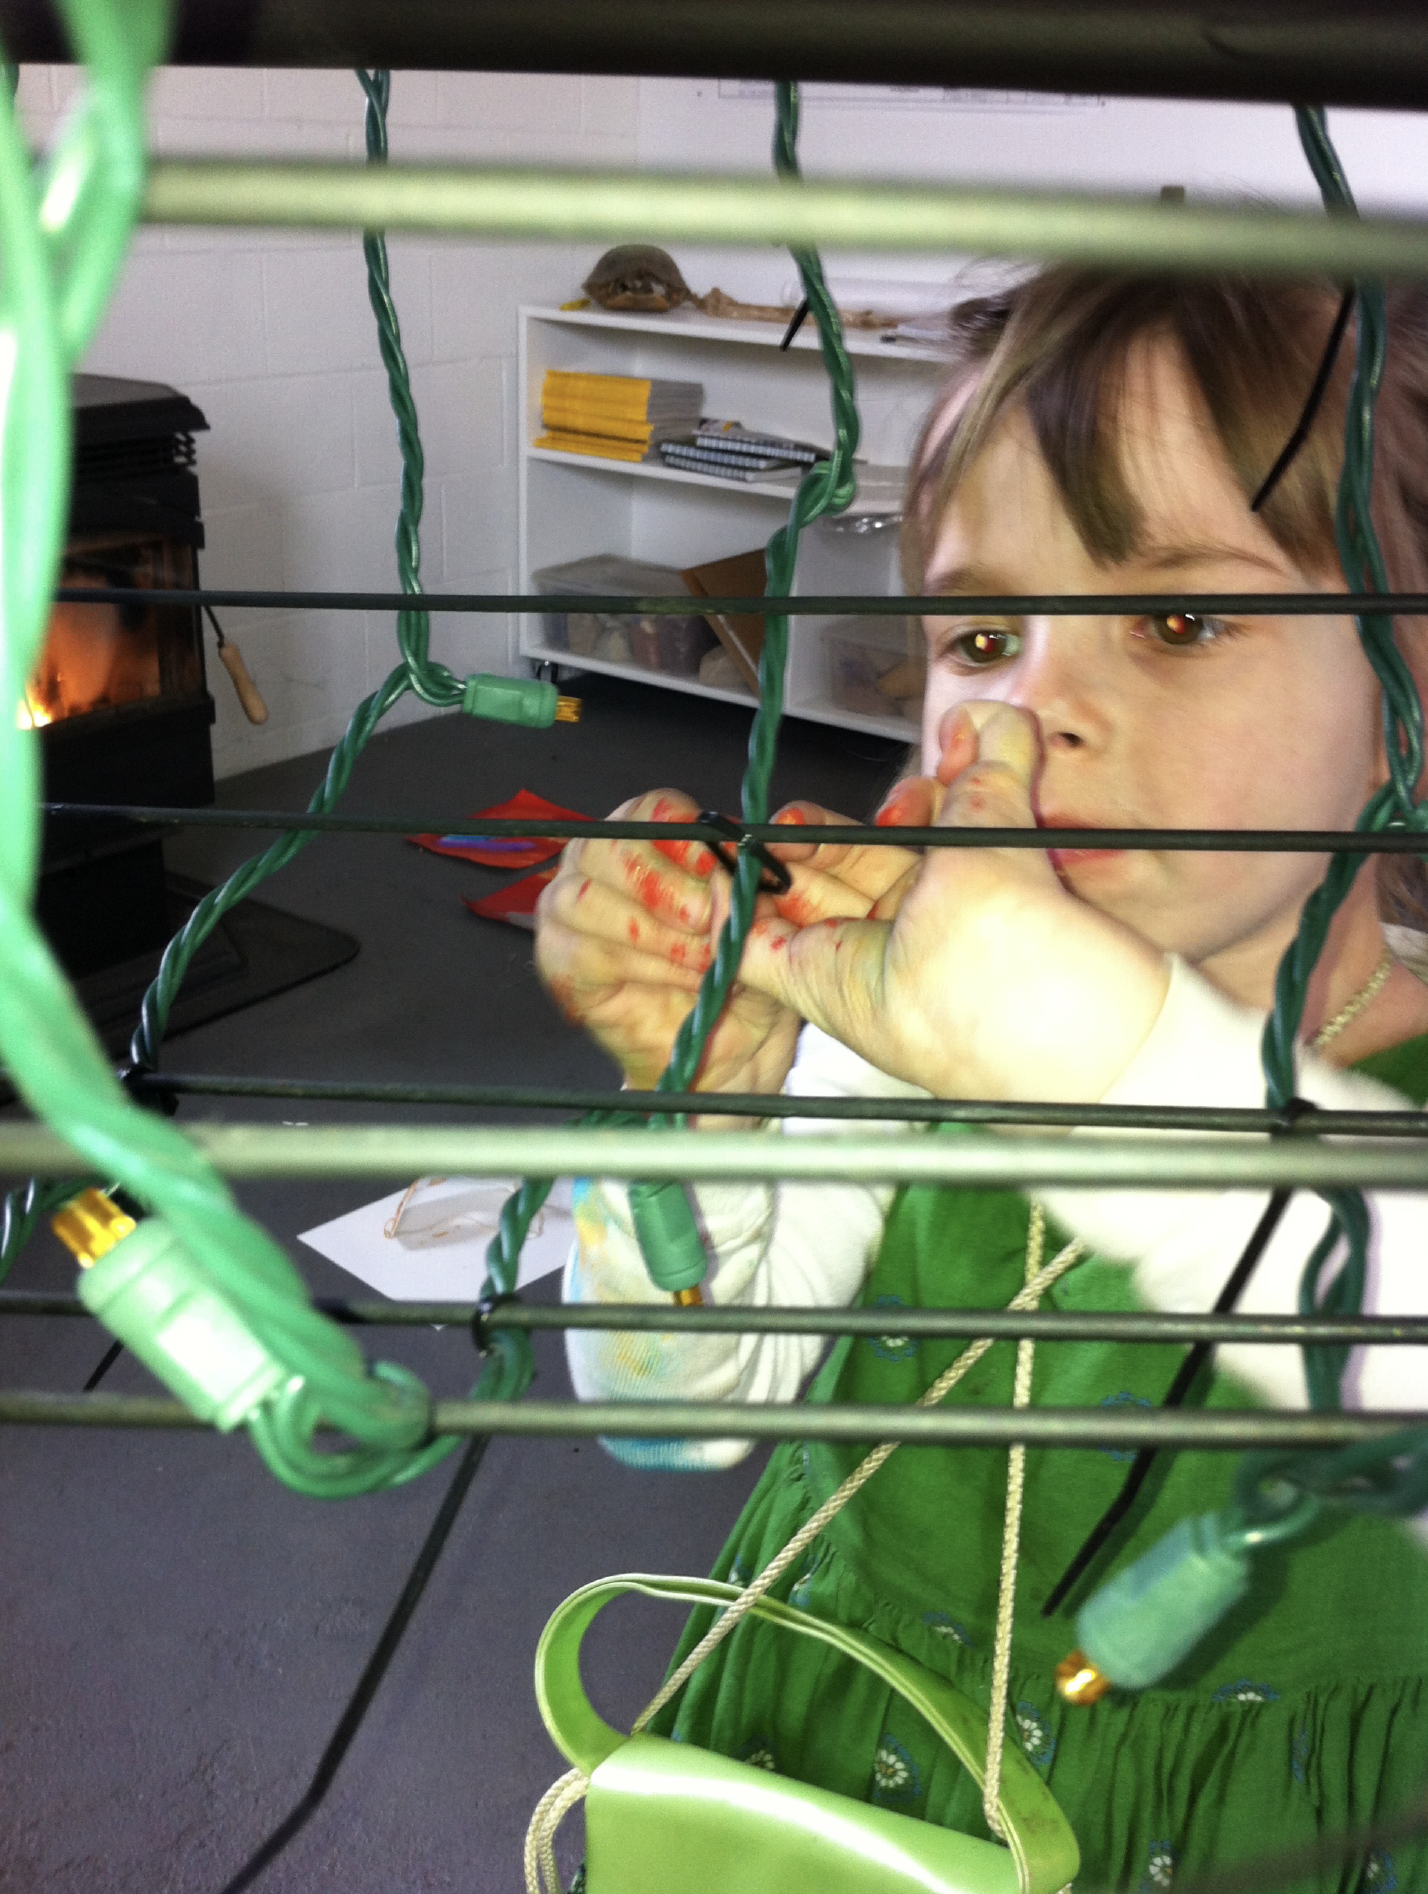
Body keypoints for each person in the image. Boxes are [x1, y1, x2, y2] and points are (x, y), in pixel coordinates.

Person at [533, 270, 1428, 1890]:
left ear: (1404, 695)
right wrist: (711, 1102)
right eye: (982, 633)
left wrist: (1082, 1045)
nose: (1032, 712)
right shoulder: (896, 1038)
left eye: (1177, 619)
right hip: (847, 1747)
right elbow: (671, 1418)